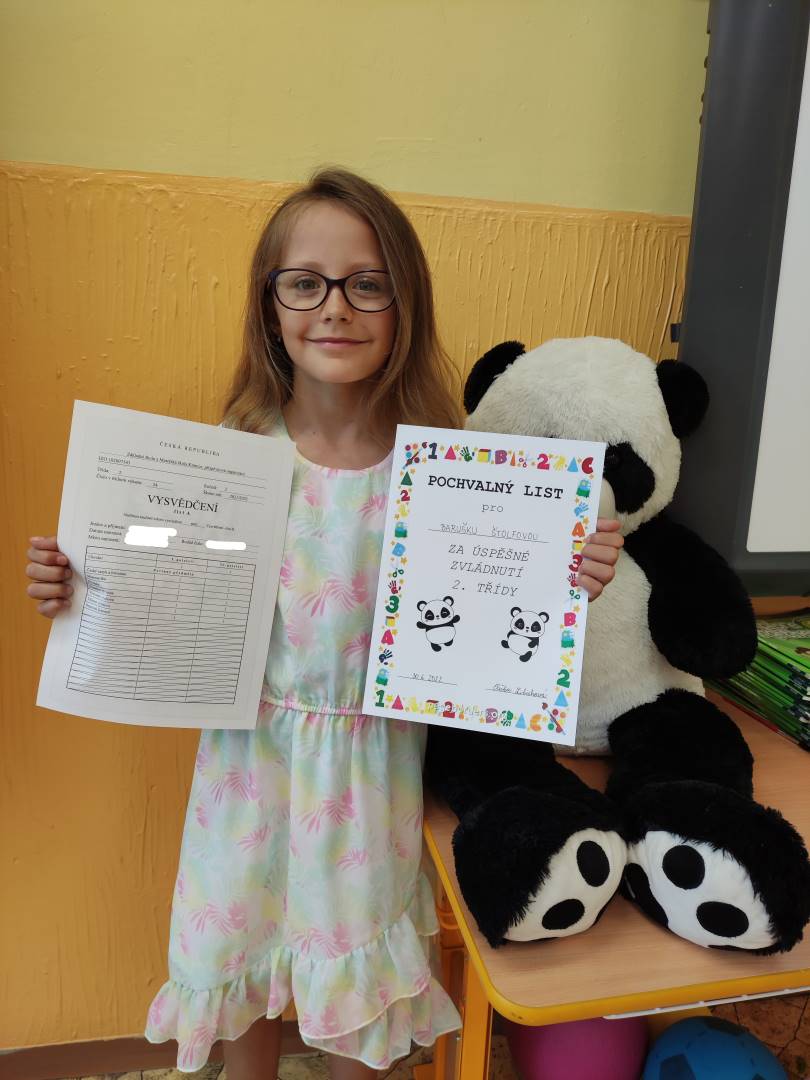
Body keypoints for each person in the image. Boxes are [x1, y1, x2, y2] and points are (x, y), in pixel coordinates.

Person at [25, 167, 623, 1079]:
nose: (335, 307)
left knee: (362, 980)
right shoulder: (235, 455)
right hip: (246, 764)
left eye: (367, 283)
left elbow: (493, 614)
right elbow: (168, 593)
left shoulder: (450, 474)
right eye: (305, 282)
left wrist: (566, 579)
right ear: (270, 305)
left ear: (404, 303)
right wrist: (83, 581)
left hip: (370, 773)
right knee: (239, 953)